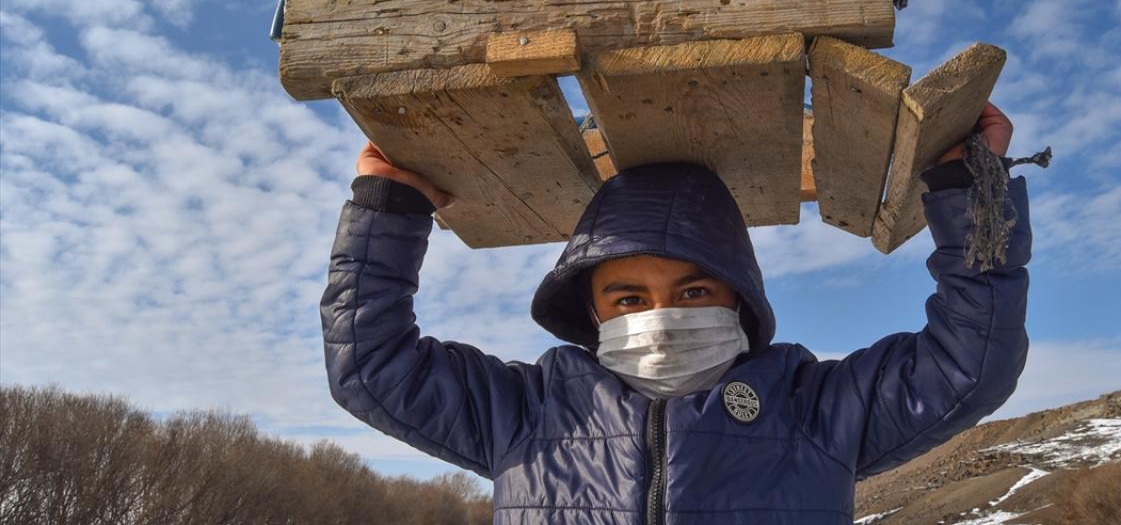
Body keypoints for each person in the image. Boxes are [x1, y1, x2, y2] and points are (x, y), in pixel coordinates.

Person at [322, 101, 1032, 523]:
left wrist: (972, 191)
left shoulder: (815, 409)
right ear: (592, 314)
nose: (660, 317)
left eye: (693, 292)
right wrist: (389, 209)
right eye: (628, 298)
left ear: (738, 297)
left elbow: (969, 362)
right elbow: (371, 364)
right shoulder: (527, 414)